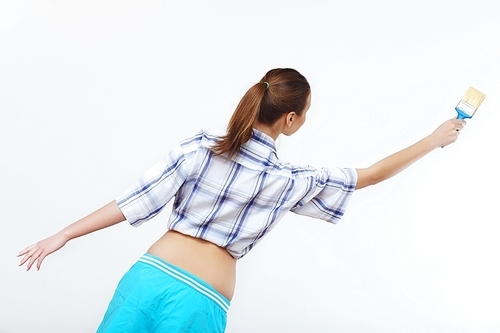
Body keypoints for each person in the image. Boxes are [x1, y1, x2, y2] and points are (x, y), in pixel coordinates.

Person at [18, 68, 465, 332]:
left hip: (146, 279)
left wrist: (63, 234)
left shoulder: (200, 147)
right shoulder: (289, 181)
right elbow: (368, 176)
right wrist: (432, 140)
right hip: (200, 300)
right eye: (305, 113)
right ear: (290, 119)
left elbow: (133, 202)